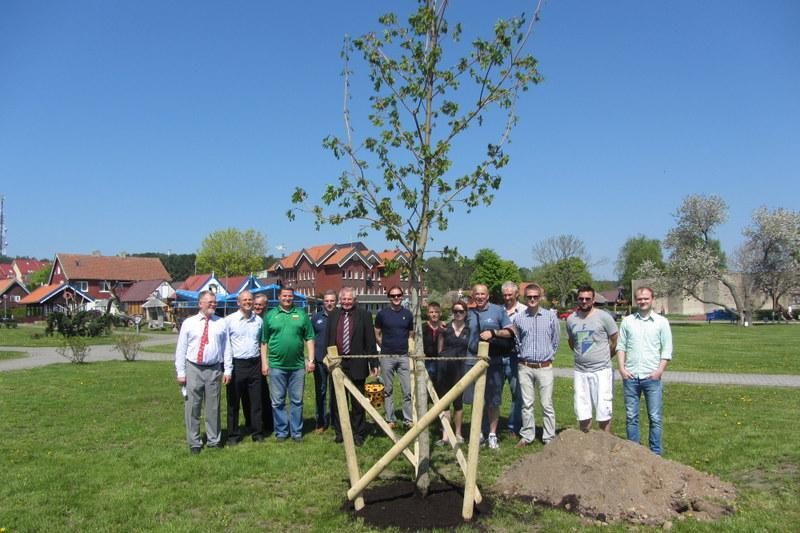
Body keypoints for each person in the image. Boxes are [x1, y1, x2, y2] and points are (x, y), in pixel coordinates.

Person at [617, 286, 673, 455]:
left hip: (651, 377)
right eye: (640, 299)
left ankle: (655, 454)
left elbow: (667, 350)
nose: (642, 301)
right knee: (631, 417)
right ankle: (634, 453)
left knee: (655, 418)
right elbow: (621, 346)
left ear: (652, 299)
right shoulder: (628, 321)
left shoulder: (661, 323)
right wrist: (621, 369)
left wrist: (659, 371)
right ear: (636, 300)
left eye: (646, 299)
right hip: (631, 376)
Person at [175, 290, 231, 454]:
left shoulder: (221, 323)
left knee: (213, 407)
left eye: (214, 302)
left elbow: (227, 347)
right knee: (193, 406)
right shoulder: (189, 323)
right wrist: (181, 372)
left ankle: (214, 440)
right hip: (193, 367)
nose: (213, 305)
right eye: (210, 302)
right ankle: (194, 441)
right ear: (200, 304)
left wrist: (227, 369)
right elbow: (181, 349)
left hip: (214, 368)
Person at [261, 287, 315, 442]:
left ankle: (297, 432)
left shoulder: (302, 315)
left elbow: (310, 338)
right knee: (278, 401)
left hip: (297, 367)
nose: (287, 298)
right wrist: (265, 363)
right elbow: (264, 341)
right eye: (284, 296)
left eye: (290, 296)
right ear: (279, 297)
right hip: (276, 366)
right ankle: (282, 431)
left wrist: (310, 360)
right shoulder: (270, 316)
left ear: (293, 298)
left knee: (297, 401)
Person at [326, 286, 379, 446]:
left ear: (354, 300)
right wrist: (327, 359)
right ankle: (340, 431)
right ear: (340, 300)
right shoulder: (333, 315)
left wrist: (373, 362)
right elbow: (328, 339)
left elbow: (370, 340)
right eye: (344, 299)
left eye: (349, 299)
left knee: (357, 401)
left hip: (357, 363)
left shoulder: (364, 315)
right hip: (337, 364)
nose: (346, 302)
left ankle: (358, 433)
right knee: (337, 401)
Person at [466, 283, 514, 450]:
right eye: (476, 294)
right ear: (473, 296)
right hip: (472, 362)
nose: (479, 297)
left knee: (493, 400)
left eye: (482, 294)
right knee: (475, 399)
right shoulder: (468, 313)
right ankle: (477, 432)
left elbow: (510, 331)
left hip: (493, 362)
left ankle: (492, 434)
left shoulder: (498, 311)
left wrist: (494, 333)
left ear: (488, 296)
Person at [511, 283, 560, 447]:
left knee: (547, 404)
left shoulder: (550, 317)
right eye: (529, 297)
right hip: (525, 366)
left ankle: (549, 437)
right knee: (527, 403)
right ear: (525, 298)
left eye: (535, 297)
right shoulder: (519, 319)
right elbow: (517, 341)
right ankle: (527, 435)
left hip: (544, 366)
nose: (532, 299)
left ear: (540, 298)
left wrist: (549, 356)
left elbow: (556, 340)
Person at [566, 285, 618, 434]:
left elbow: (615, 340)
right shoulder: (571, 319)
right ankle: (585, 444)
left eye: (587, 299)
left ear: (593, 300)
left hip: (601, 370)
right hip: (580, 372)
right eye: (581, 299)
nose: (584, 301)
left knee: (604, 410)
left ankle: (605, 444)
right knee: (582, 410)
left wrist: (606, 356)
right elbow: (571, 341)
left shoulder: (604, 317)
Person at [224, 290, 264, 445]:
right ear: (238, 302)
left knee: (256, 401)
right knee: (233, 402)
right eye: (244, 300)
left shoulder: (258, 321)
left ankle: (257, 433)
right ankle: (233, 435)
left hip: (254, 364)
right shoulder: (229, 320)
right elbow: (226, 346)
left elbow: (261, 343)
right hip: (237, 364)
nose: (248, 302)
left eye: (250, 299)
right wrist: (227, 368)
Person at [375, 286, 414, 428]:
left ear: (402, 296)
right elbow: (377, 333)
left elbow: (411, 333)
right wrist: (385, 345)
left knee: (407, 390)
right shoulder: (382, 314)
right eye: (393, 296)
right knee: (388, 389)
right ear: (389, 298)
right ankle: (390, 419)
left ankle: (408, 419)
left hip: (404, 356)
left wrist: (406, 347)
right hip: (387, 356)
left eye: (398, 295)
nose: (396, 298)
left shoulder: (408, 314)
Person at [434, 300, 470, 445]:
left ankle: (458, 433)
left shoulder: (469, 330)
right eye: (455, 311)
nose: (458, 314)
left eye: (461, 311)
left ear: (465, 313)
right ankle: (445, 435)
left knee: (458, 402)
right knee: (445, 402)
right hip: (444, 368)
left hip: (460, 368)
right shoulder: (445, 329)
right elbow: (439, 349)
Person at [500, 281, 525, 439]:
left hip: (516, 356)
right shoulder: (497, 310)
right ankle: (489, 427)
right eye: (505, 295)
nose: (508, 297)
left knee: (517, 394)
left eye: (510, 294)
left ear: (516, 294)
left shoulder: (524, 311)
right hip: (498, 356)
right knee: (493, 392)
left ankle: (514, 427)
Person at [311, 289, 337, 433]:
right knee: (320, 392)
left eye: (332, 301)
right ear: (323, 302)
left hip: (335, 361)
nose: (329, 303)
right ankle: (320, 421)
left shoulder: (340, 316)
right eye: (326, 301)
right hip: (320, 360)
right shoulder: (316, 318)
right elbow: (310, 339)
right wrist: (311, 359)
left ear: (336, 301)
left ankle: (335, 421)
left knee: (336, 392)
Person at [252, 293, 273, 435]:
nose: (258, 307)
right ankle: (252, 422)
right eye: (256, 304)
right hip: (253, 358)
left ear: (265, 305)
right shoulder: (251, 318)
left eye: (261, 304)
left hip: (265, 357)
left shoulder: (269, 318)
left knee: (265, 393)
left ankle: (268, 422)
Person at [422, 301, 445, 383]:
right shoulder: (423, 328)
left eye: (436, 312)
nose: (434, 314)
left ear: (440, 313)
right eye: (431, 312)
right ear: (428, 314)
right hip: (426, 360)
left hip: (440, 360)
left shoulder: (444, 327)